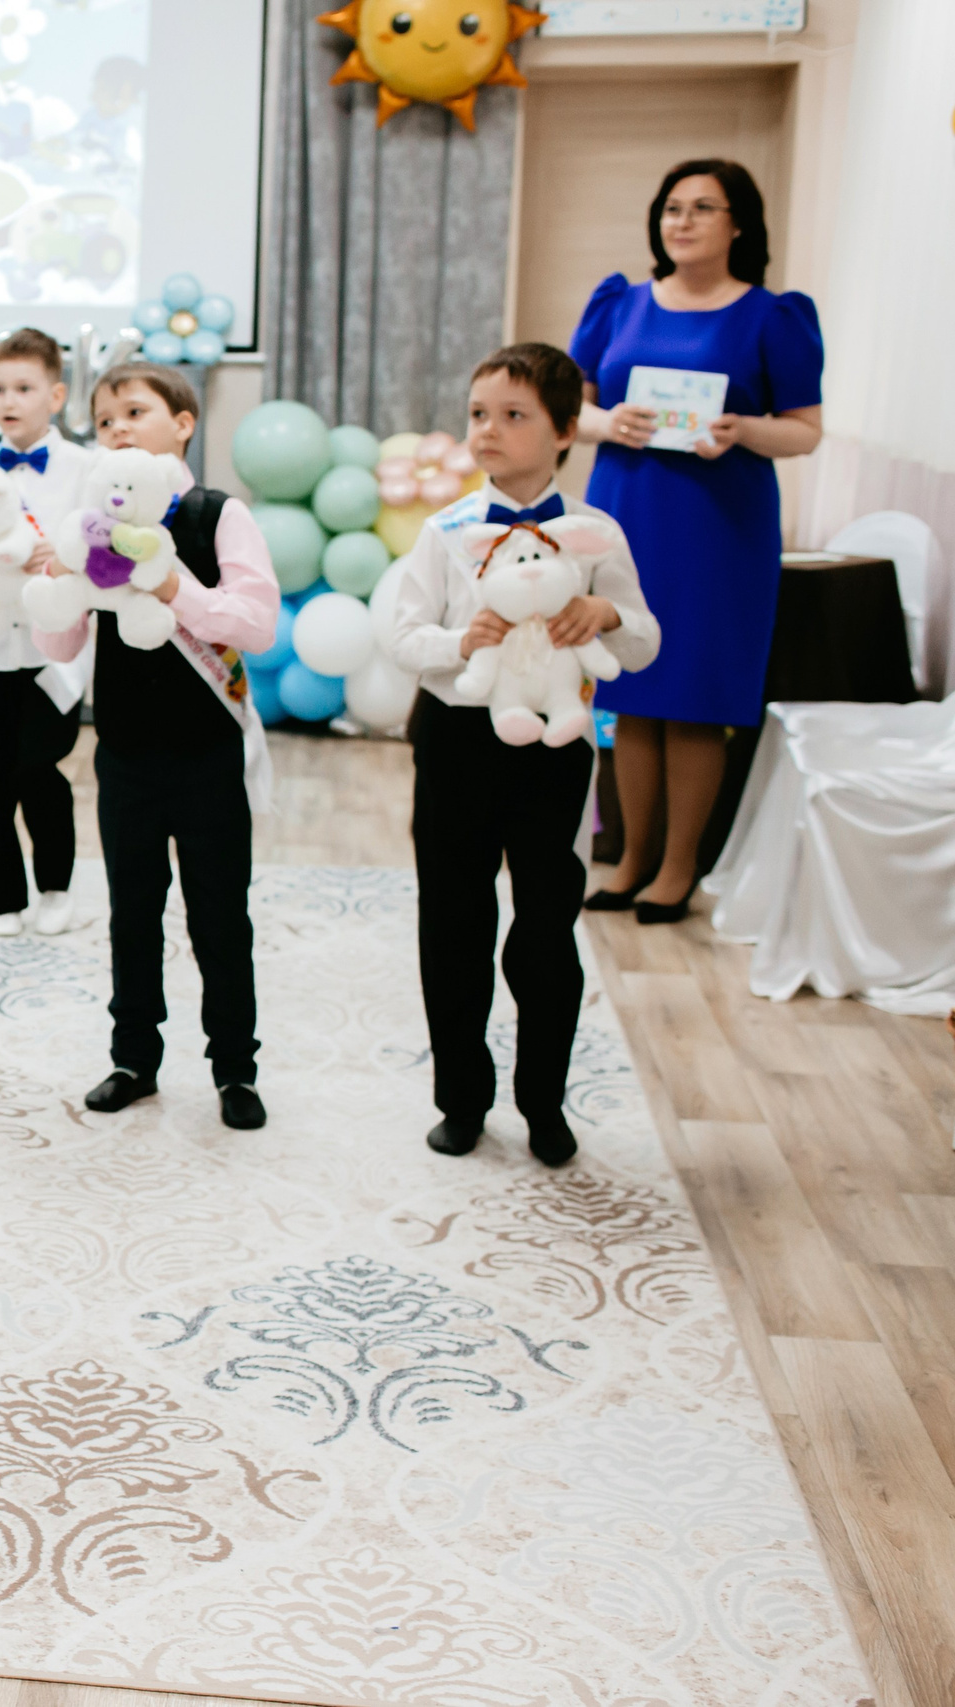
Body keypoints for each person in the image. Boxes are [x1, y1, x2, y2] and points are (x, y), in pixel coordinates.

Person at [391, 345, 662, 1166]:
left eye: (514, 416)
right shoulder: (445, 530)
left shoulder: (595, 534)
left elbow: (645, 639)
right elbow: (402, 636)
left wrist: (605, 616)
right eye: (479, 414)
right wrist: (459, 639)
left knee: (545, 928)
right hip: (457, 741)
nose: (488, 430)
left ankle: (544, 1099)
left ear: (566, 430)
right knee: (453, 921)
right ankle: (461, 1098)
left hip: (554, 747)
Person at [570, 158, 822, 923]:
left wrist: (744, 429)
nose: (681, 221)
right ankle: (630, 860)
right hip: (630, 513)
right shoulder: (619, 305)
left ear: (738, 224)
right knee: (633, 693)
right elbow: (570, 408)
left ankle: (678, 869)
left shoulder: (773, 316)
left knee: (695, 699)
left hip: (720, 527)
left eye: (702, 208)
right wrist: (608, 421)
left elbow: (805, 430)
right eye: (671, 207)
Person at [41, 362, 278, 1130]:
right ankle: (132, 1059)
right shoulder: (92, 524)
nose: (116, 429)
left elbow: (257, 624)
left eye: (134, 412)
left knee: (220, 916)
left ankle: (235, 1067)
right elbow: (61, 643)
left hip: (209, 755)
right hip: (126, 754)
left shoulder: (217, 515)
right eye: (105, 419)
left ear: (183, 424)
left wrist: (176, 588)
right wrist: (57, 586)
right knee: (132, 913)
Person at [0, 328, 91, 938]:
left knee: (39, 768)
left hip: (56, 648)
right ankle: (2, 899)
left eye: (23, 388)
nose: (8, 401)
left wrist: (62, 555)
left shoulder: (85, 469)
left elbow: (103, 550)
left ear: (56, 396)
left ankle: (56, 887)